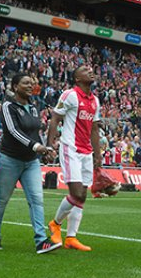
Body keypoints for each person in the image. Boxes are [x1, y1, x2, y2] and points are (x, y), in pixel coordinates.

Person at [0, 73, 61, 254]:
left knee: (36, 199)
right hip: (9, 160)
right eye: (25, 83)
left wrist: (43, 151)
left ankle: (41, 240)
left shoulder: (34, 107)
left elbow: (35, 132)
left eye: (32, 83)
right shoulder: (8, 106)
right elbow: (13, 131)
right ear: (15, 86)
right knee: (2, 200)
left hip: (31, 162)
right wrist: (36, 146)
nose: (30, 85)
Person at [47, 66, 101, 252]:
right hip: (71, 148)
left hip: (87, 152)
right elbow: (55, 118)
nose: (90, 71)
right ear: (77, 78)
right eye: (85, 70)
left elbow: (95, 129)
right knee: (77, 193)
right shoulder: (69, 95)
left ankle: (71, 238)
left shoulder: (95, 100)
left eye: (91, 69)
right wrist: (49, 144)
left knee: (82, 196)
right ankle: (55, 223)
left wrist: (98, 155)